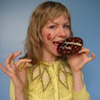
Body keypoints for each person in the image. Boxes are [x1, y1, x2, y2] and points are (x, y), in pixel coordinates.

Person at [0, 1, 95, 100]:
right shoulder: (22, 68)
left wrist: (76, 72)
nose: (62, 33)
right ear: (37, 32)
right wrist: (19, 90)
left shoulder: (72, 65)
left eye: (66, 26)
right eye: (53, 26)